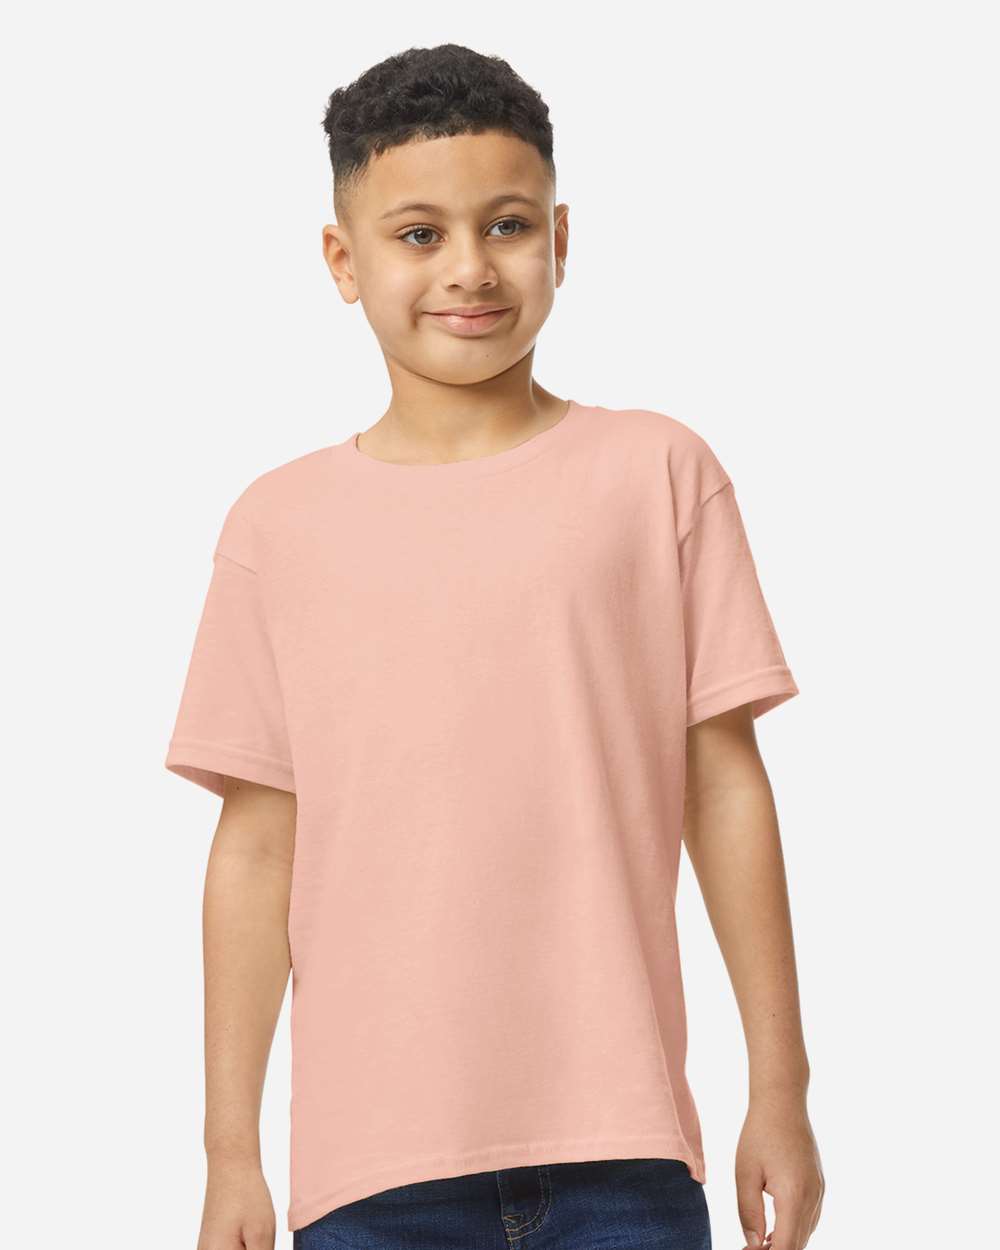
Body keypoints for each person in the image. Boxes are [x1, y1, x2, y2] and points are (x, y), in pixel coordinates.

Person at [165, 43, 824, 1250]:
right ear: (343, 260)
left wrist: (779, 1087)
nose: (469, 267)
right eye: (419, 234)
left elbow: (724, 785)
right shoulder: (277, 527)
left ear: (560, 239)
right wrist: (229, 1153)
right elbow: (256, 847)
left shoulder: (656, 473)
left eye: (507, 225)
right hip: (369, 1176)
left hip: (623, 1152)